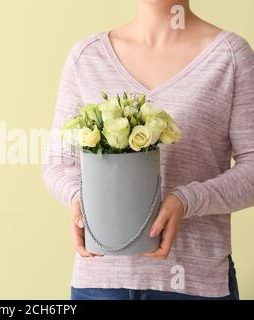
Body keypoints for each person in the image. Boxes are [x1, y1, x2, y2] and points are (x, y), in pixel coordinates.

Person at [42, 0, 254, 300]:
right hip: (99, 284)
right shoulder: (87, 57)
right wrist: (79, 198)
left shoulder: (230, 56)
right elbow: (58, 160)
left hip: (193, 284)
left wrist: (186, 200)